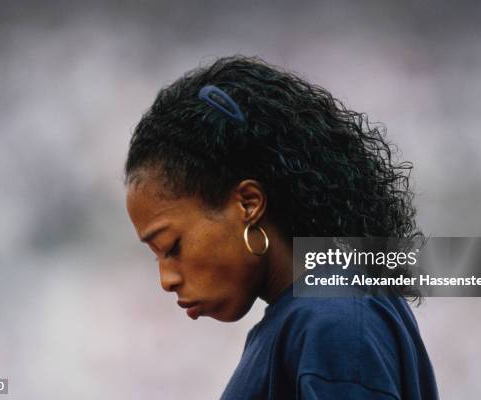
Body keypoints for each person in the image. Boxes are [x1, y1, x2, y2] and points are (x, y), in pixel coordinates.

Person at [124, 55, 439, 399]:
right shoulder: (322, 309)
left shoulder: (333, 320)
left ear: (248, 204)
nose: (166, 280)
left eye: (172, 246)